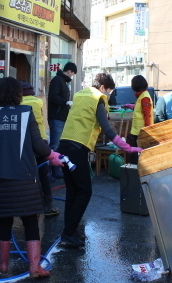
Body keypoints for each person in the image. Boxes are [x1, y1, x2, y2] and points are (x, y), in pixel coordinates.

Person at [0, 77, 63, 278]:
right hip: (24, 178)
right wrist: (53, 156)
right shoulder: (25, 113)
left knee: (4, 221)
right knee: (30, 221)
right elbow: (39, 146)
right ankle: (34, 267)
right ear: (17, 94)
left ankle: (3, 265)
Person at [57, 73, 142, 248]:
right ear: (103, 87)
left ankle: (70, 231)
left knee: (74, 192)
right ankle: (68, 233)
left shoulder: (80, 95)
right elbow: (108, 130)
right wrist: (129, 148)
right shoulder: (99, 99)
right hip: (77, 148)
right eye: (109, 91)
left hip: (65, 146)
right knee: (84, 191)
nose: (109, 95)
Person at [20, 80, 59, 218]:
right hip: (41, 140)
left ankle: (28, 206)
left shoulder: (17, 103)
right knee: (43, 175)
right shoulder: (38, 101)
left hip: (24, 143)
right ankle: (48, 206)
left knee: (26, 174)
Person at [47, 62, 78, 180]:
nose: (72, 76)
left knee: (58, 145)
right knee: (54, 144)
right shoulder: (57, 80)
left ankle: (56, 169)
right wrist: (65, 102)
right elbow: (53, 96)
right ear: (69, 71)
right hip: (56, 117)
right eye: (72, 74)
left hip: (61, 117)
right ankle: (49, 172)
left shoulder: (63, 81)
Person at [126, 75, 153, 164]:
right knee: (136, 154)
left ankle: (135, 173)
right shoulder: (142, 96)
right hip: (137, 132)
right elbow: (141, 109)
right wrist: (132, 106)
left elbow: (147, 114)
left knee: (136, 155)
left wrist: (146, 131)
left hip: (140, 133)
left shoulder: (144, 97)